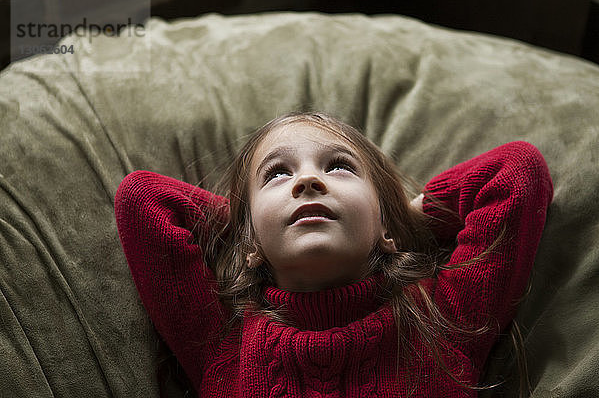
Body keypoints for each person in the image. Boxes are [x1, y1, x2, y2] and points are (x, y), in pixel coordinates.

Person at [114, 112, 553, 397]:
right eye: (278, 174)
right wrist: (251, 225)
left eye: (338, 167)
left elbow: (517, 171)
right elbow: (141, 198)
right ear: (248, 243)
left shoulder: (443, 320)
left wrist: (403, 214)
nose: (307, 181)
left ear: (385, 226)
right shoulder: (228, 351)